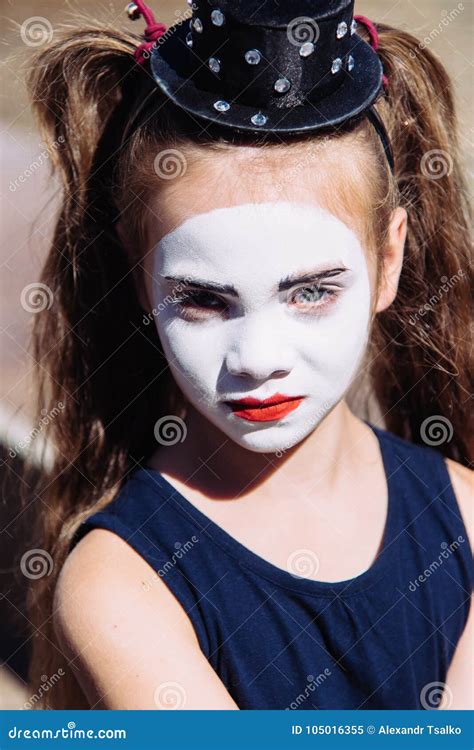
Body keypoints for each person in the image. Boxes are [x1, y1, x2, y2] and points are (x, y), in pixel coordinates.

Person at [23, 0, 472, 710]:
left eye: (311, 292)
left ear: (389, 259)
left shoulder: (466, 517)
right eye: (202, 300)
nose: (257, 359)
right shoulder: (119, 584)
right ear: (139, 275)